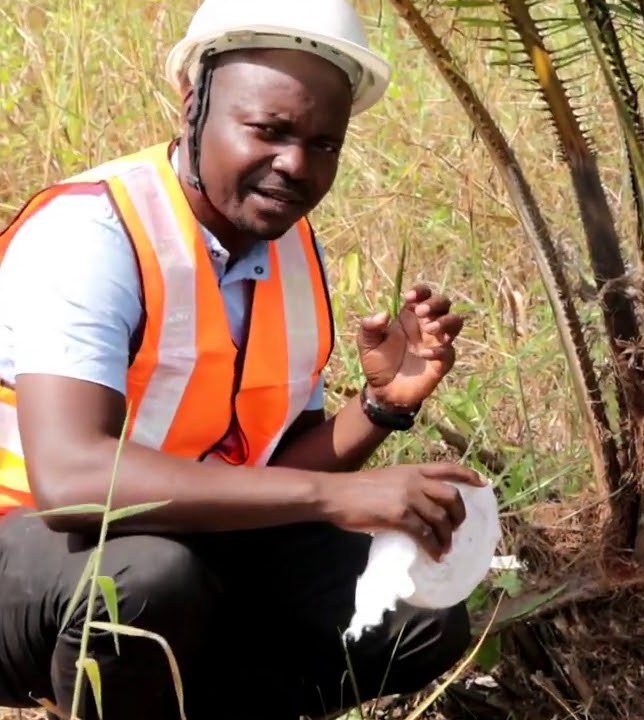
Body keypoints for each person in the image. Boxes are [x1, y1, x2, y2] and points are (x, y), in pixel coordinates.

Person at [0, 1, 486, 718]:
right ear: (194, 103)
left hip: (179, 542)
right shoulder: (94, 233)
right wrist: (338, 499)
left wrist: (382, 407)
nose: (295, 165)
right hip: (30, 549)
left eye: (324, 144)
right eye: (269, 130)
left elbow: (268, 478)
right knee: (144, 584)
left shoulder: (285, 245)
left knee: (417, 615)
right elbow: (72, 482)